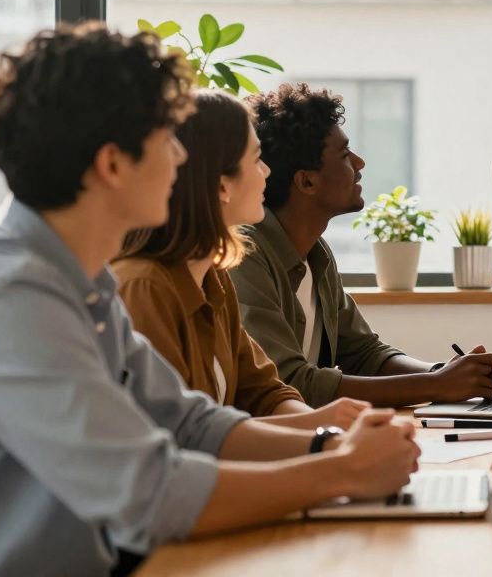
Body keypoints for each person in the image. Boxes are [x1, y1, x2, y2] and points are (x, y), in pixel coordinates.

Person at [0, 24, 419, 576]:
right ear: (112, 164)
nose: (182, 158)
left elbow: (193, 424)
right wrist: (342, 471)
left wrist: (326, 446)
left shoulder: (84, 283)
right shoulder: (11, 299)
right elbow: (150, 494)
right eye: (166, 139)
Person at [230, 83, 492, 408]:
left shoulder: (317, 255)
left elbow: (364, 354)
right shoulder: (245, 256)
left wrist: (446, 373)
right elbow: (290, 383)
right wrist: (436, 386)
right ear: (307, 181)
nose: (359, 163)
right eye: (345, 154)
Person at [115, 90, 366, 429]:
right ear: (221, 186)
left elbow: (266, 393)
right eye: (256, 159)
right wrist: (324, 443)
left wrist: (324, 429)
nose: (266, 171)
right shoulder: (145, 287)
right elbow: (182, 438)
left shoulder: (215, 277)